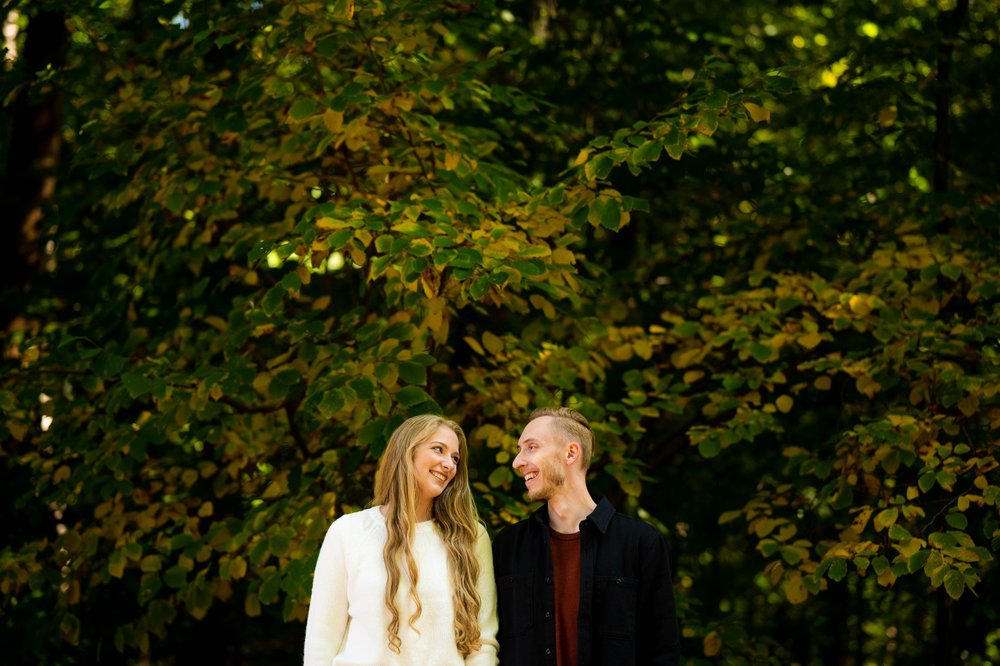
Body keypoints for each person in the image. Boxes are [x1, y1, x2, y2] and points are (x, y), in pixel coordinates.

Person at [304, 414, 499, 666]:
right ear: (406, 452)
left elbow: (482, 642)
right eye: (438, 449)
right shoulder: (348, 531)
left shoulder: (470, 537)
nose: (449, 464)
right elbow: (322, 639)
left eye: (455, 458)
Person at [492, 407, 680, 666]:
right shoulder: (508, 546)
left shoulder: (640, 543)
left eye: (531, 447)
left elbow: (662, 654)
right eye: (519, 449)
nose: (517, 461)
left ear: (570, 453)